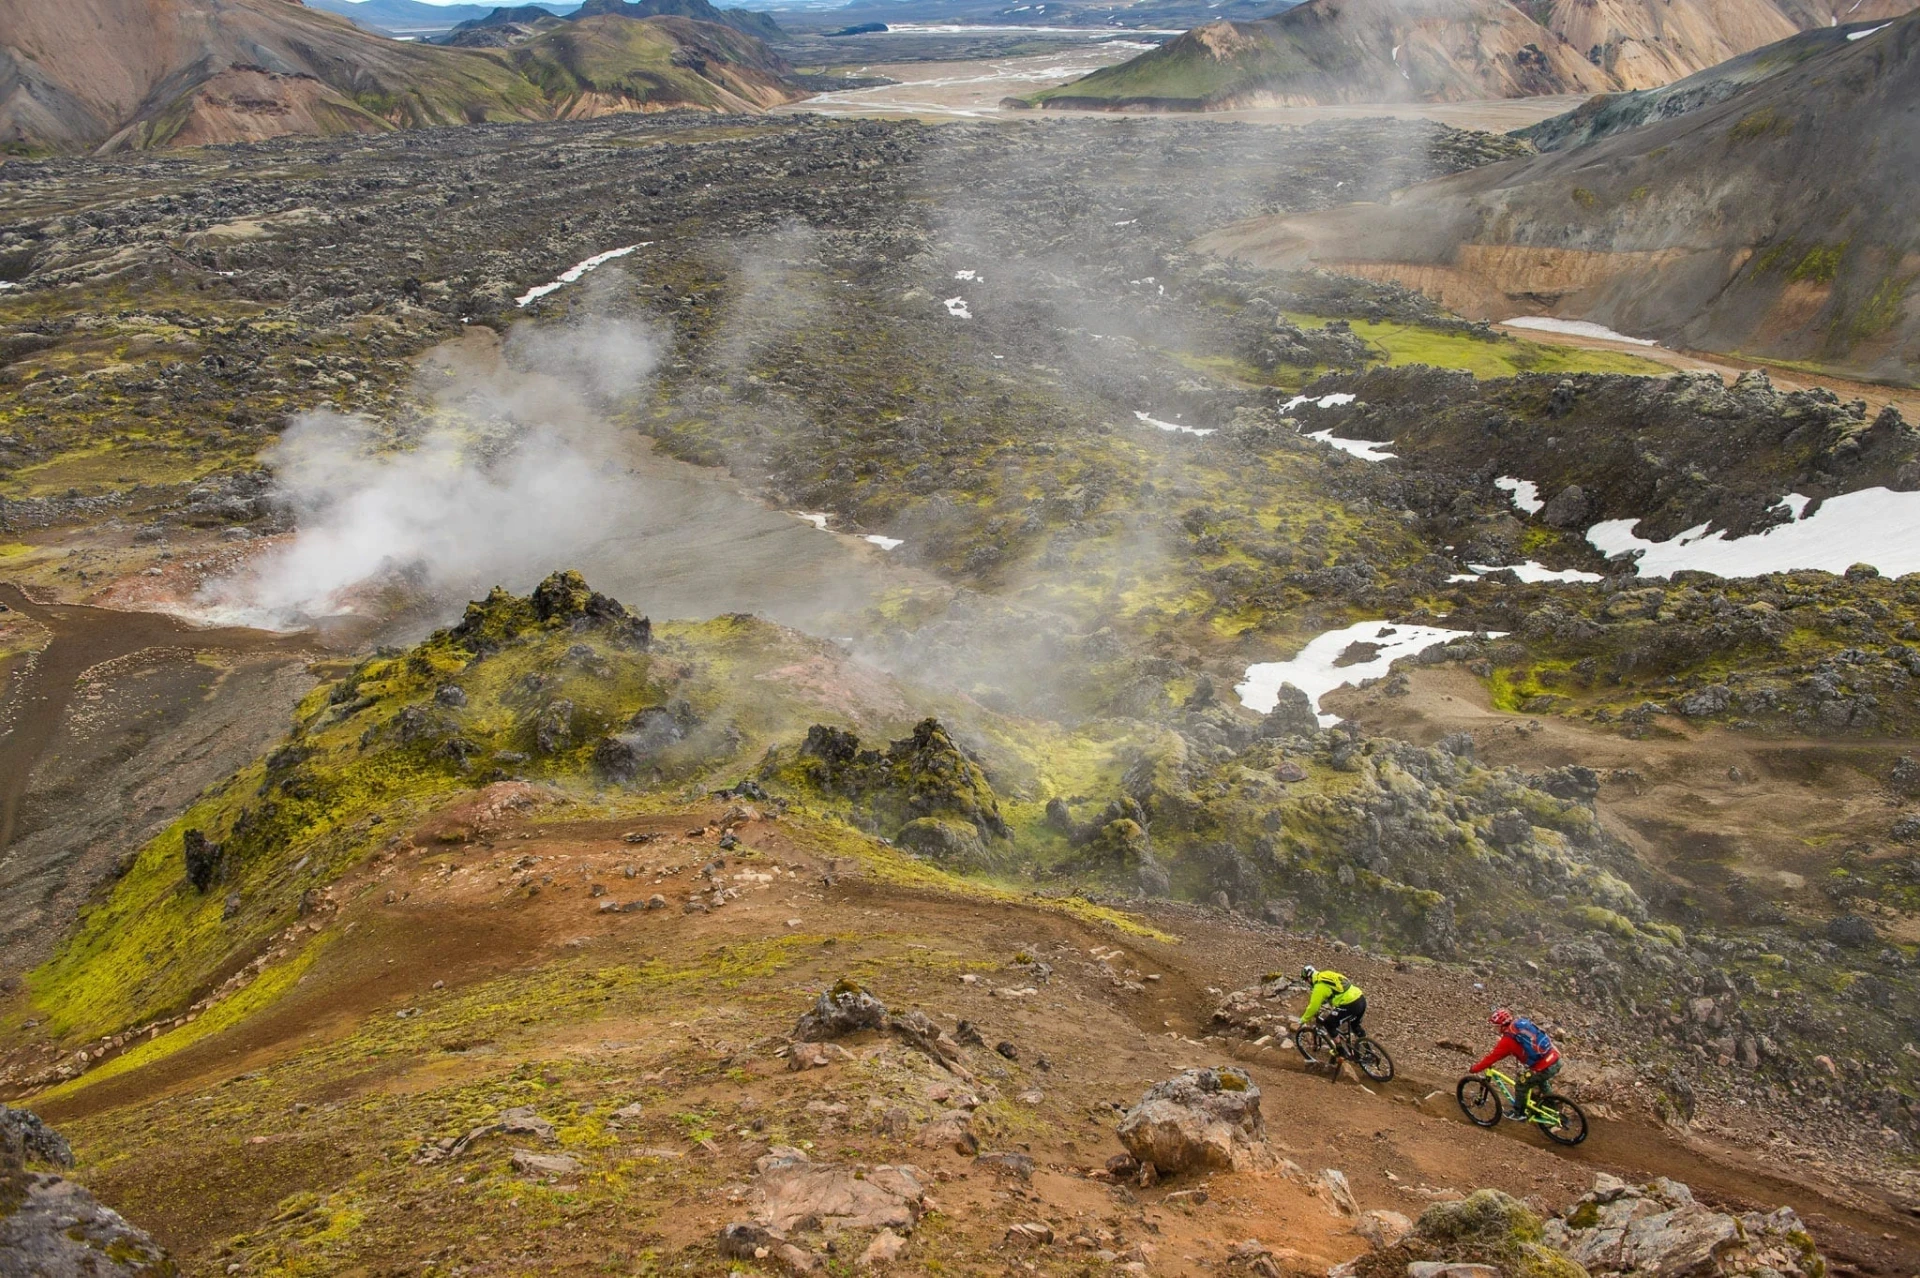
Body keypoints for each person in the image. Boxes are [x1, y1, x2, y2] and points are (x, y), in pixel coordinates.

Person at [1473, 1008, 1561, 1118]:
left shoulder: (1508, 1040)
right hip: (1555, 1058)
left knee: (1521, 1084)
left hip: (1544, 1066)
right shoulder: (1520, 1023)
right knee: (1541, 1081)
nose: (1495, 1029)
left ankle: (1519, 1113)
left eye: (1495, 1026)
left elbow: (1492, 1058)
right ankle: (1552, 1106)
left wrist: (1475, 1069)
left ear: (1501, 1025)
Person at [1296, 965, 1367, 1041]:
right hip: (1360, 998)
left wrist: (1302, 1020)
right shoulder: (1326, 974)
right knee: (1355, 1026)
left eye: (1306, 980)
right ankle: (1367, 1048)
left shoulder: (1319, 986)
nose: (1307, 982)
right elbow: (1337, 987)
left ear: (1309, 978)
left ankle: (1339, 1050)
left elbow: (1313, 1007)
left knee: (1329, 1024)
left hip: (1350, 1004)